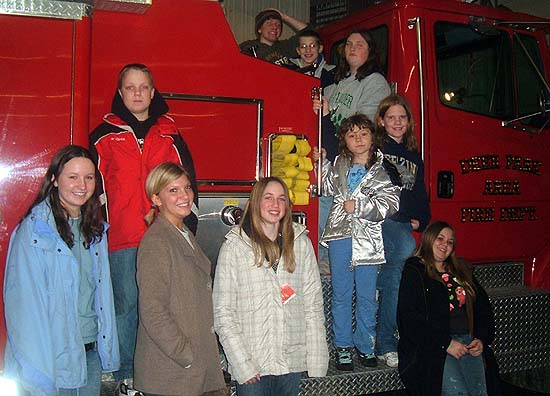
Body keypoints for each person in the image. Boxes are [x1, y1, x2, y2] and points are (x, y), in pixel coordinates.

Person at [89, 63, 198, 384]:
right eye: (130, 87)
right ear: (120, 93)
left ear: (153, 92)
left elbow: (188, 183)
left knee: (164, 308)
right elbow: (90, 190)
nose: (137, 93)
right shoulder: (102, 137)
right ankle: (126, 375)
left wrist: (187, 229)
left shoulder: (170, 133)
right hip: (121, 239)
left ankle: (159, 372)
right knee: (124, 308)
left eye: (143, 87)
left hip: (164, 238)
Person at [4, 145, 120, 396]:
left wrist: (108, 351)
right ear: (54, 180)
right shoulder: (34, 233)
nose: (82, 185)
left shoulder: (96, 231)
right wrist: (36, 374)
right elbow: (23, 309)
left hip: (89, 355)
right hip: (51, 358)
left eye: (89, 177)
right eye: (72, 177)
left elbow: (101, 298)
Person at [213, 177, 328, 395]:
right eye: (268, 198)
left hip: (290, 363)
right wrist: (242, 364)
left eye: (281, 199)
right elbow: (223, 313)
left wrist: (316, 359)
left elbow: (313, 305)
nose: (275, 205)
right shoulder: (235, 246)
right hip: (253, 367)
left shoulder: (301, 243)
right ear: (256, 202)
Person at [313, 114, 401, 371]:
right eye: (352, 135)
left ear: (373, 137)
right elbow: (327, 186)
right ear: (345, 141)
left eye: (363, 133)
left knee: (366, 296)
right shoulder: (340, 163)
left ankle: (366, 346)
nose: (358, 139)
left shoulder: (385, 170)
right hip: (340, 236)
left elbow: (391, 204)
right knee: (341, 294)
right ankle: (342, 347)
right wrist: (323, 164)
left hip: (369, 242)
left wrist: (360, 206)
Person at [134, 162, 226, 396]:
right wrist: (186, 355)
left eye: (186, 188)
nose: (184, 196)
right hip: (172, 375)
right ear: (156, 199)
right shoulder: (157, 241)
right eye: (173, 190)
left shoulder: (183, 233)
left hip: (192, 371)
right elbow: (153, 309)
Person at [397, 221, 492, 396]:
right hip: (435, 348)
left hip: (468, 343)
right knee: (458, 393)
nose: (445, 245)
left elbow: (483, 308)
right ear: (428, 239)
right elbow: (409, 318)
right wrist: (445, 343)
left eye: (450, 242)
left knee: (480, 393)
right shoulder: (415, 271)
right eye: (440, 238)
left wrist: (481, 339)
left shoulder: (462, 270)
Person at [374, 94, 431, 368]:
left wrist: (423, 219)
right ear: (381, 121)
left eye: (402, 117)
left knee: (396, 276)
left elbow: (419, 193)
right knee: (406, 249)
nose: (397, 122)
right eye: (391, 117)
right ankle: (385, 341)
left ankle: (381, 293)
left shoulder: (413, 156)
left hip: (404, 222)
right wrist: (402, 219)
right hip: (384, 219)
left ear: (408, 122)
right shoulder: (376, 150)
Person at [314, 29, 391, 127]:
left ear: (370, 51)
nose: (352, 48)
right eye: (348, 44)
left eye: (359, 45)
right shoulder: (335, 84)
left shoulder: (376, 83)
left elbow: (365, 126)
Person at [239, 9, 308, 66]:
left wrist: (284, 17)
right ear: (259, 29)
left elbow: (309, 32)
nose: (275, 27)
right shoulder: (248, 47)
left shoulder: (285, 46)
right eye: (269, 23)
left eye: (278, 25)